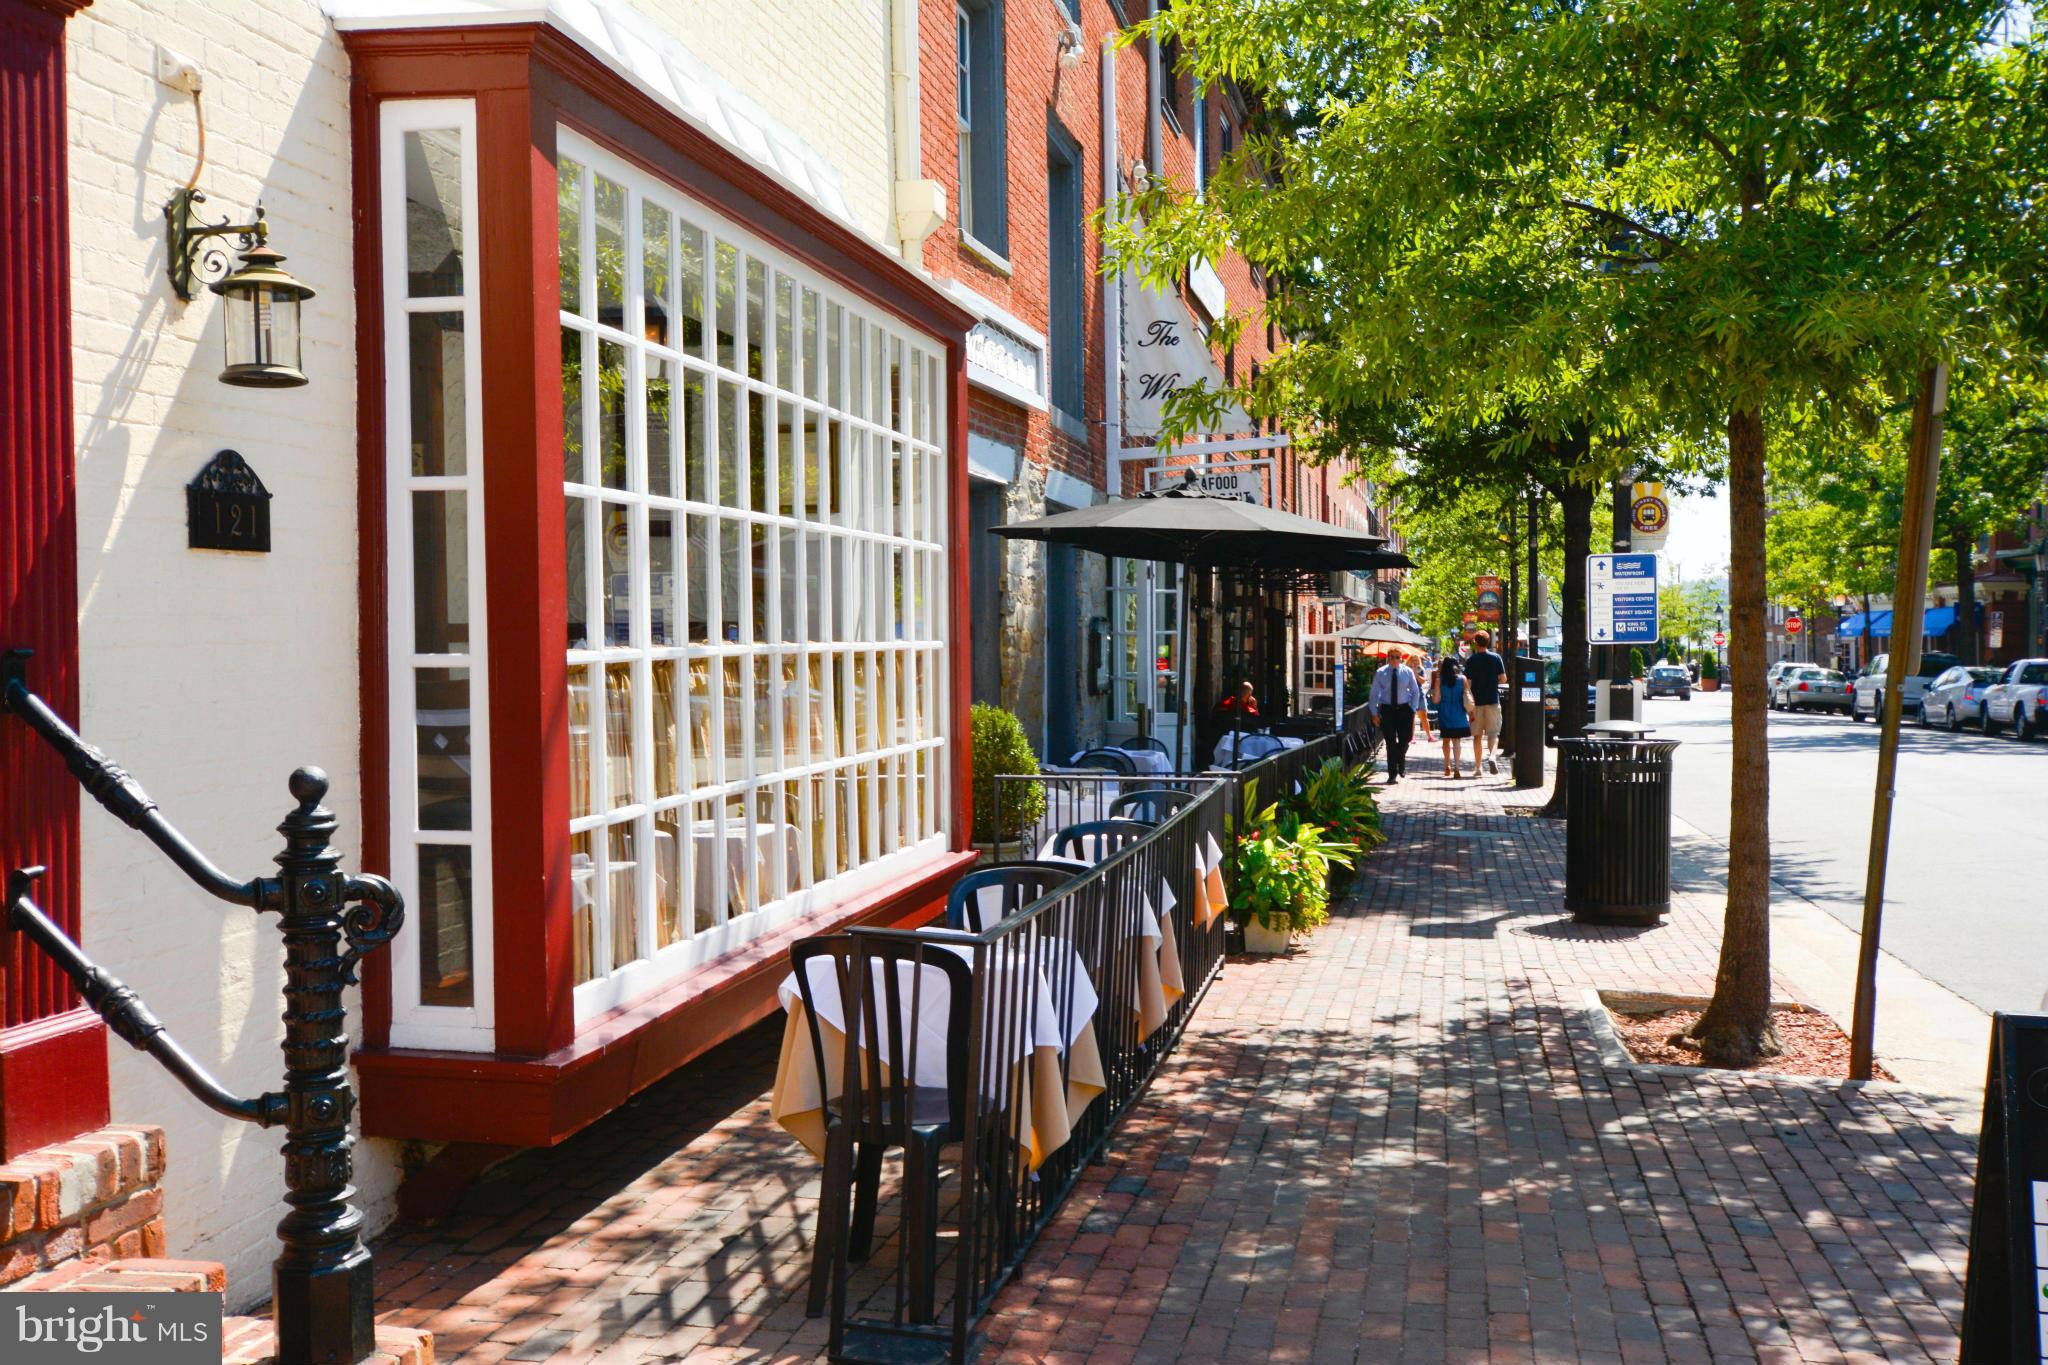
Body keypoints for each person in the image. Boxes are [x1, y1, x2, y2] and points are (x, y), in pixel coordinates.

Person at [1368, 653, 1422, 782]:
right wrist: (1374, 713)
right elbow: (1374, 694)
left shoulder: (1407, 671)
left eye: (1397, 657)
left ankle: (1400, 760)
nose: (1394, 659)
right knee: (1390, 743)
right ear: (1388, 658)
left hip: (1404, 709)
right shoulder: (1381, 672)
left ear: (1401, 658)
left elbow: (1415, 691)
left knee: (1406, 739)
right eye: (1391, 657)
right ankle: (1392, 774)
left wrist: (1413, 709)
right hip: (1387, 710)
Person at [1464, 630, 1507, 776]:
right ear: (1489, 642)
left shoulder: (1471, 661)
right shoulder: (1496, 658)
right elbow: (1503, 679)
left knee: (1477, 736)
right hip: (1493, 701)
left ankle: (1477, 768)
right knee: (1493, 734)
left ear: (1476, 643)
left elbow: (1468, 684)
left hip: (1476, 703)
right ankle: (1492, 756)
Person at [1433, 654, 1476, 778]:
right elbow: (1469, 697)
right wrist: (1472, 713)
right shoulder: (1462, 679)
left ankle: (1447, 766)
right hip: (1459, 712)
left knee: (1446, 740)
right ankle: (1457, 767)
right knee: (1456, 741)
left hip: (1445, 712)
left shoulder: (1439, 680)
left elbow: (1436, 700)